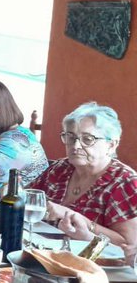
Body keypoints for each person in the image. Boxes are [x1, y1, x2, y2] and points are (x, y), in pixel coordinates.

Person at [29, 102, 137, 248]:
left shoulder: (125, 182)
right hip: (44, 251)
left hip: (95, 264)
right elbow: (26, 198)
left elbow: (129, 245)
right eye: (71, 137)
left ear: (111, 145)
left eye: (88, 139)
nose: (75, 146)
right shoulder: (60, 168)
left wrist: (80, 220)